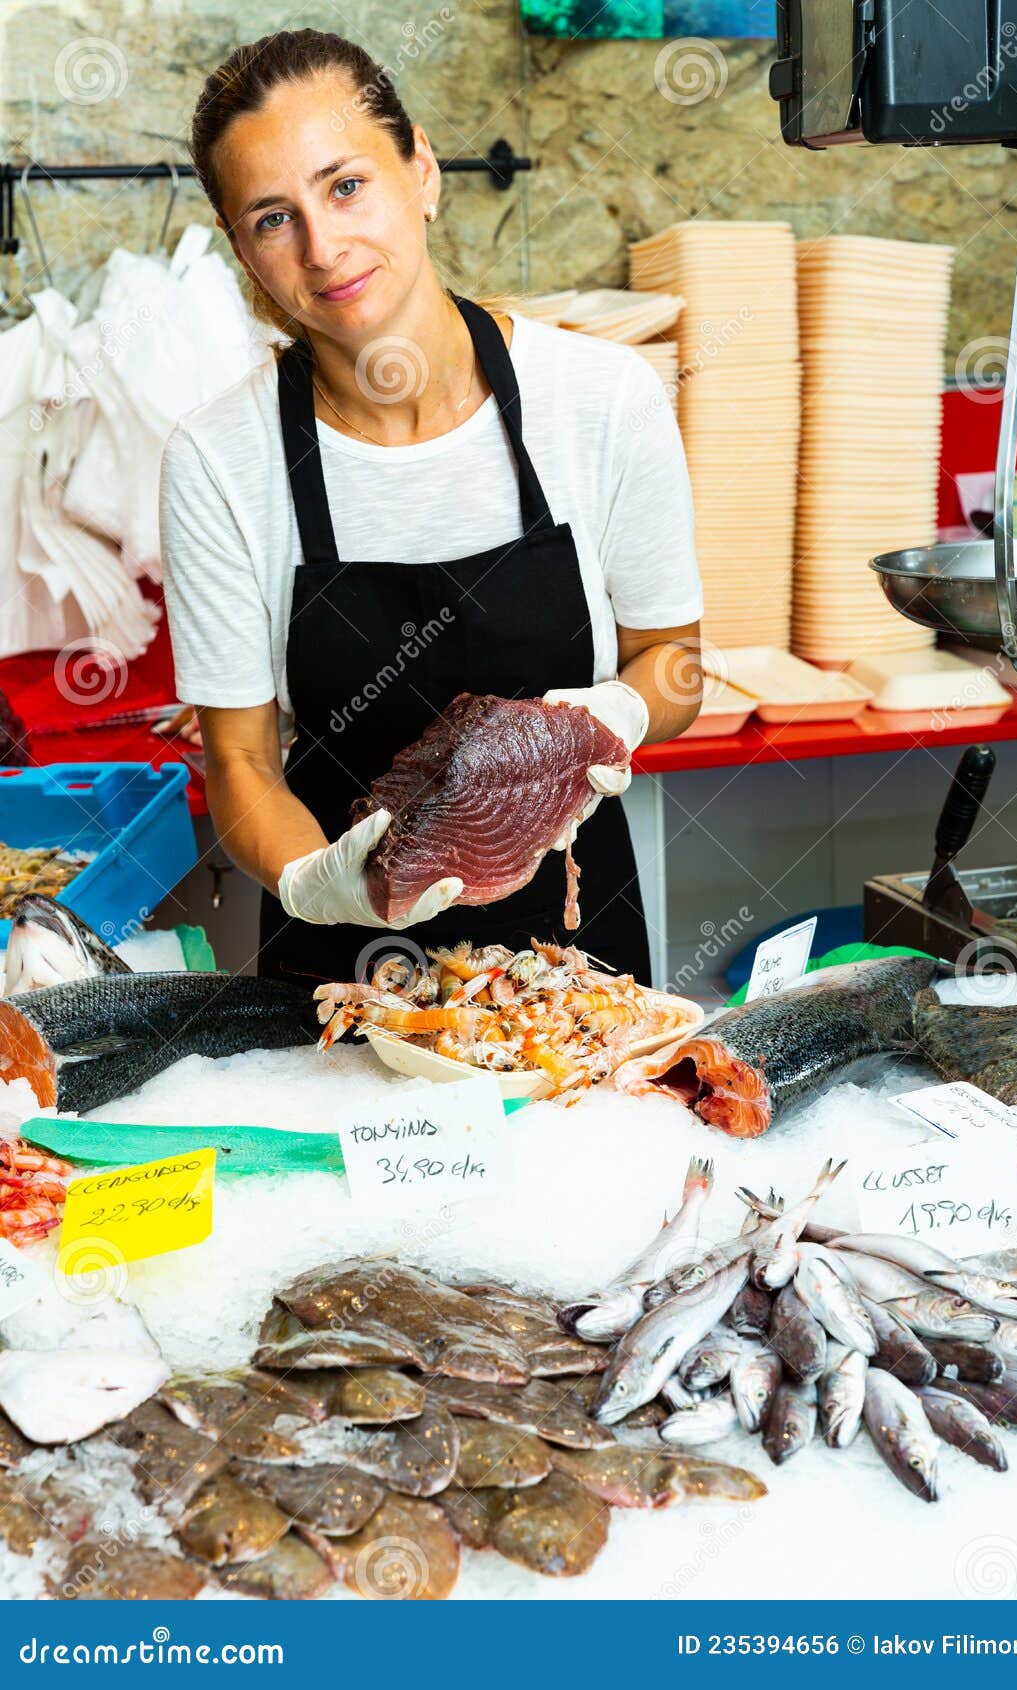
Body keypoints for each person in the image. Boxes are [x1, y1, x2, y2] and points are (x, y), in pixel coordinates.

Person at [160, 28, 703, 988]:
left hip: (578, 961)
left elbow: (677, 664)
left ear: (421, 172)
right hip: (342, 970)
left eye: (346, 185)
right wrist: (314, 879)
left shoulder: (602, 398)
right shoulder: (218, 459)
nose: (325, 250)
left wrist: (614, 708)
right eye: (272, 219)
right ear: (243, 250)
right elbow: (241, 763)